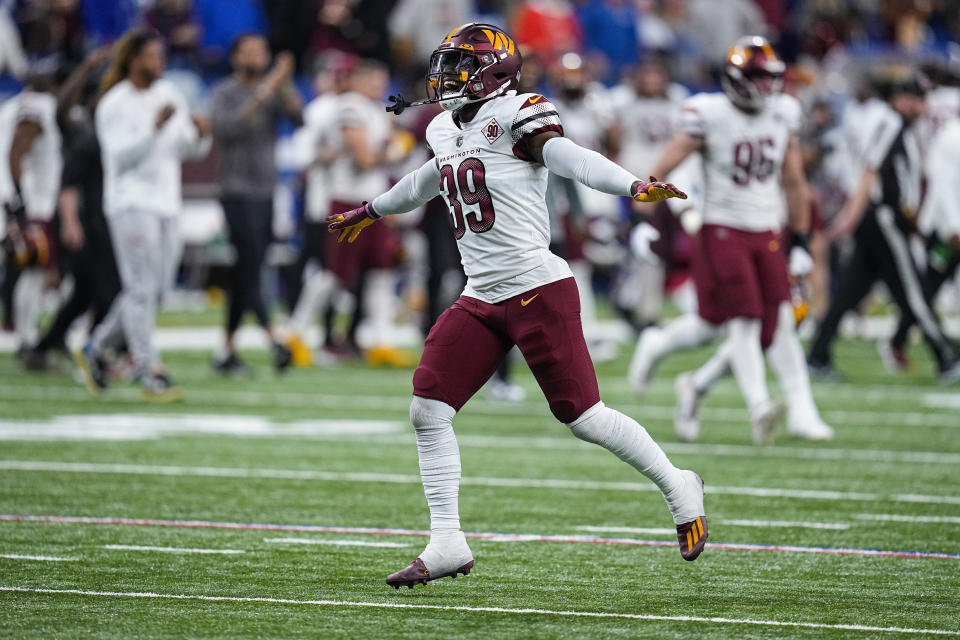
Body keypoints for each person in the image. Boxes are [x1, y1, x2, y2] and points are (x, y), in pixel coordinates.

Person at [326, 23, 707, 589]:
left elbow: (568, 157)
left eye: (459, 65)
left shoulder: (519, 113)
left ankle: (680, 487)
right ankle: (447, 542)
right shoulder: (441, 127)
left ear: (492, 71)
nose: (447, 75)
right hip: (481, 293)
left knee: (583, 417)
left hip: (536, 286)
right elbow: (429, 179)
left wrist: (631, 186)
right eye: (448, 63)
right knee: (428, 408)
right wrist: (373, 209)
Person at [626, 36, 833, 443]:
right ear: (736, 79)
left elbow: (793, 181)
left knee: (775, 327)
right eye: (757, 78)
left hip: (767, 229)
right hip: (722, 229)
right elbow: (662, 170)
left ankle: (713, 388)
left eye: (769, 78)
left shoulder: (783, 113)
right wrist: (644, 220)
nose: (766, 88)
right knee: (745, 319)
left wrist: (802, 240)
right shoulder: (709, 114)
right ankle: (760, 406)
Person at [76, 30, 212, 400]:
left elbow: (187, 150)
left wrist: (200, 136)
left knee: (158, 290)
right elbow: (119, 158)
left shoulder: (168, 93)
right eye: (152, 56)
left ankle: (95, 347)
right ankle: (148, 367)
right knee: (139, 288)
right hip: (130, 201)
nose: (160, 63)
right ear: (133, 59)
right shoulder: (114, 103)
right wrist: (154, 128)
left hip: (166, 201)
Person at [808, 77, 960, 383]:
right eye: (916, 100)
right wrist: (851, 216)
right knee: (913, 290)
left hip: (881, 218)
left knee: (850, 292)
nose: (921, 106)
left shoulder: (898, 126)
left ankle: (817, 355)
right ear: (901, 98)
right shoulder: (890, 122)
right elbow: (869, 171)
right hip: (883, 219)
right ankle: (947, 356)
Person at [209, 33, 302, 375]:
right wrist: (267, 89)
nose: (258, 56)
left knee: (248, 269)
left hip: (265, 190)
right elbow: (229, 129)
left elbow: (298, 119)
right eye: (250, 51)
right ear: (235, 57)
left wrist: (285, 84)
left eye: (262, 50)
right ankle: (269, 340)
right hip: (235, 189)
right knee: (249, 266)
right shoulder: (224, 92)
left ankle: (230, 350)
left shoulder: (274, 89)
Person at [6, 70, 62, 358]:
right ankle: (26, 338)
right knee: (33, 271)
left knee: (30, 271)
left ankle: (26, 334)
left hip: (21, 199)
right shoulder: (37, 107)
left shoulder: (15, 104)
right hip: (29, 201)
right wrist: (20, 202)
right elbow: (16, 153)